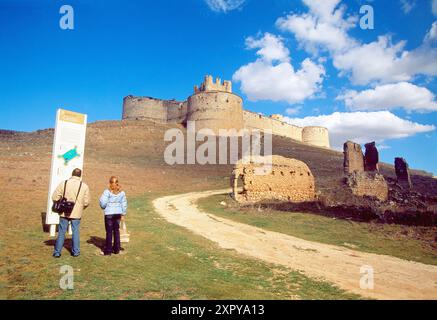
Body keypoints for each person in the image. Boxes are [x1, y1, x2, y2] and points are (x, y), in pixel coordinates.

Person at [52, 168, 90, 258]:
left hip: (64, 212)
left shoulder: (64, 183)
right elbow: (86, 202)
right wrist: (80, 207)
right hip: (77, 213)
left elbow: (54, 197)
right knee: (75, 231)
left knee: (61, 231)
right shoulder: (84, 186)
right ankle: (75, 252)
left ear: (72, 174)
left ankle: (57, 252)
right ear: (80, 175)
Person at [99, 176, 127, 256]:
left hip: (109, 214)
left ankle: (108, 251)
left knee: (109, 232)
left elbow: (103, 202)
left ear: (110, 183)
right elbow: (124, 203)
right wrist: (123, 213)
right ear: (117, 182)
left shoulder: (107, 192)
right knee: (116, 231)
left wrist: (103, 207)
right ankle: (116, 249)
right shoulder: (122, 192)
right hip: (118, 214)